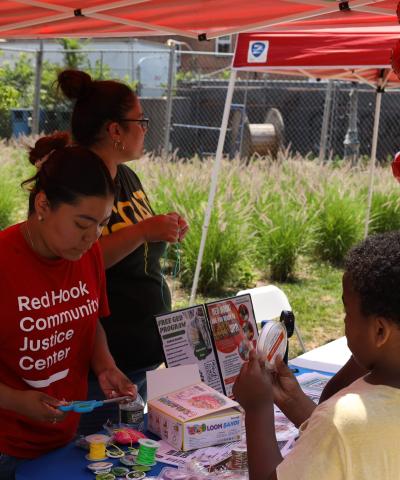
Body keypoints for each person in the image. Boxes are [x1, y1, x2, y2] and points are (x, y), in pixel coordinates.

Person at [57, 70, 189, 432]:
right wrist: (145, 230)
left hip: (135, 356)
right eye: (140, 120)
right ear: (115, 130)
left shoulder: (125, 175)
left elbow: (136, 240)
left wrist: (163, 229)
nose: (145, 128)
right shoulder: (80, 180)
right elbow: (78, 259)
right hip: (100, 365)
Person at [0, 133, 136, 480]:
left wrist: (104, 365)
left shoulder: (86, 254)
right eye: (81, 224)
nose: (92, 239)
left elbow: (89, 321)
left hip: (63, 439)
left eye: (102, 225)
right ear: (43, 205)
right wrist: (17, 401)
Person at [233, 231, 400, 480]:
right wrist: (294, 402)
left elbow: (343, 435)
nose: (345, 322)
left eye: (347, 313)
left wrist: (258, 409)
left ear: (379, 331)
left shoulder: (341, 422)